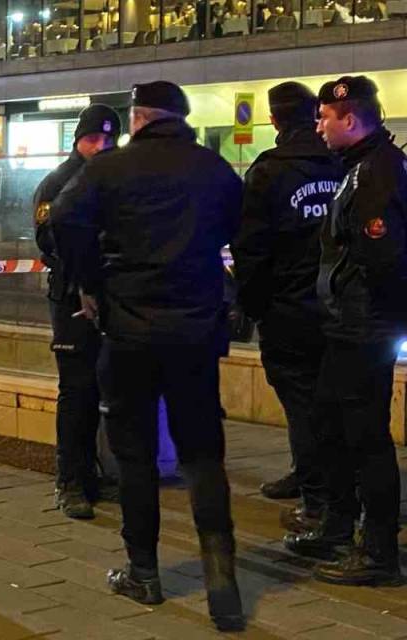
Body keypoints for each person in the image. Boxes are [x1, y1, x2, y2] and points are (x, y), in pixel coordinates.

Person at [51, 81, 245, 632]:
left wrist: (91, 282)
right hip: (195, 331)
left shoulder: (111, 169)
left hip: (130, 329)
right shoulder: (212, 168)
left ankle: (144, 571)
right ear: (180, 118)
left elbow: (65, 219)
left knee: (134, 455)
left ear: (138, 117)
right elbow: (241, 227)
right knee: (203, 453)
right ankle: (221, 578)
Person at [284, 76, 407, 586]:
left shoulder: (376, 173)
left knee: (366, 439)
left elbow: (384, 260)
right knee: (331, 426)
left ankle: (378, 551)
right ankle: (338, 525)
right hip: (349, 325)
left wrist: (373, 322)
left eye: (324, 118)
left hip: (365, 328)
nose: (318, 126)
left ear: (349, 119)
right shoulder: (358, 167)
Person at [230, 82, 343, 532]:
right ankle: (314, 480)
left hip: (288, 310)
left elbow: (250, 251)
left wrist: (254, 306)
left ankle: (318, 504)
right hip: (337, 307)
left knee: (303, 406)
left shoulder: (268, 172)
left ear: (274, 120)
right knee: (329, 402)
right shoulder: (342, 163)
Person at [33, 104, 121, 521]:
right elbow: (49, 241)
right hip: (71, 298)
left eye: (107, 139)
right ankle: (70, 479)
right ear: (77, 140)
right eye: (92, 139)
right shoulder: (57, 184)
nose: (100, 146)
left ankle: (92, 472)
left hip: (110, 296)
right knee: (77, 388)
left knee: (104, 387)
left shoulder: (117, 178)